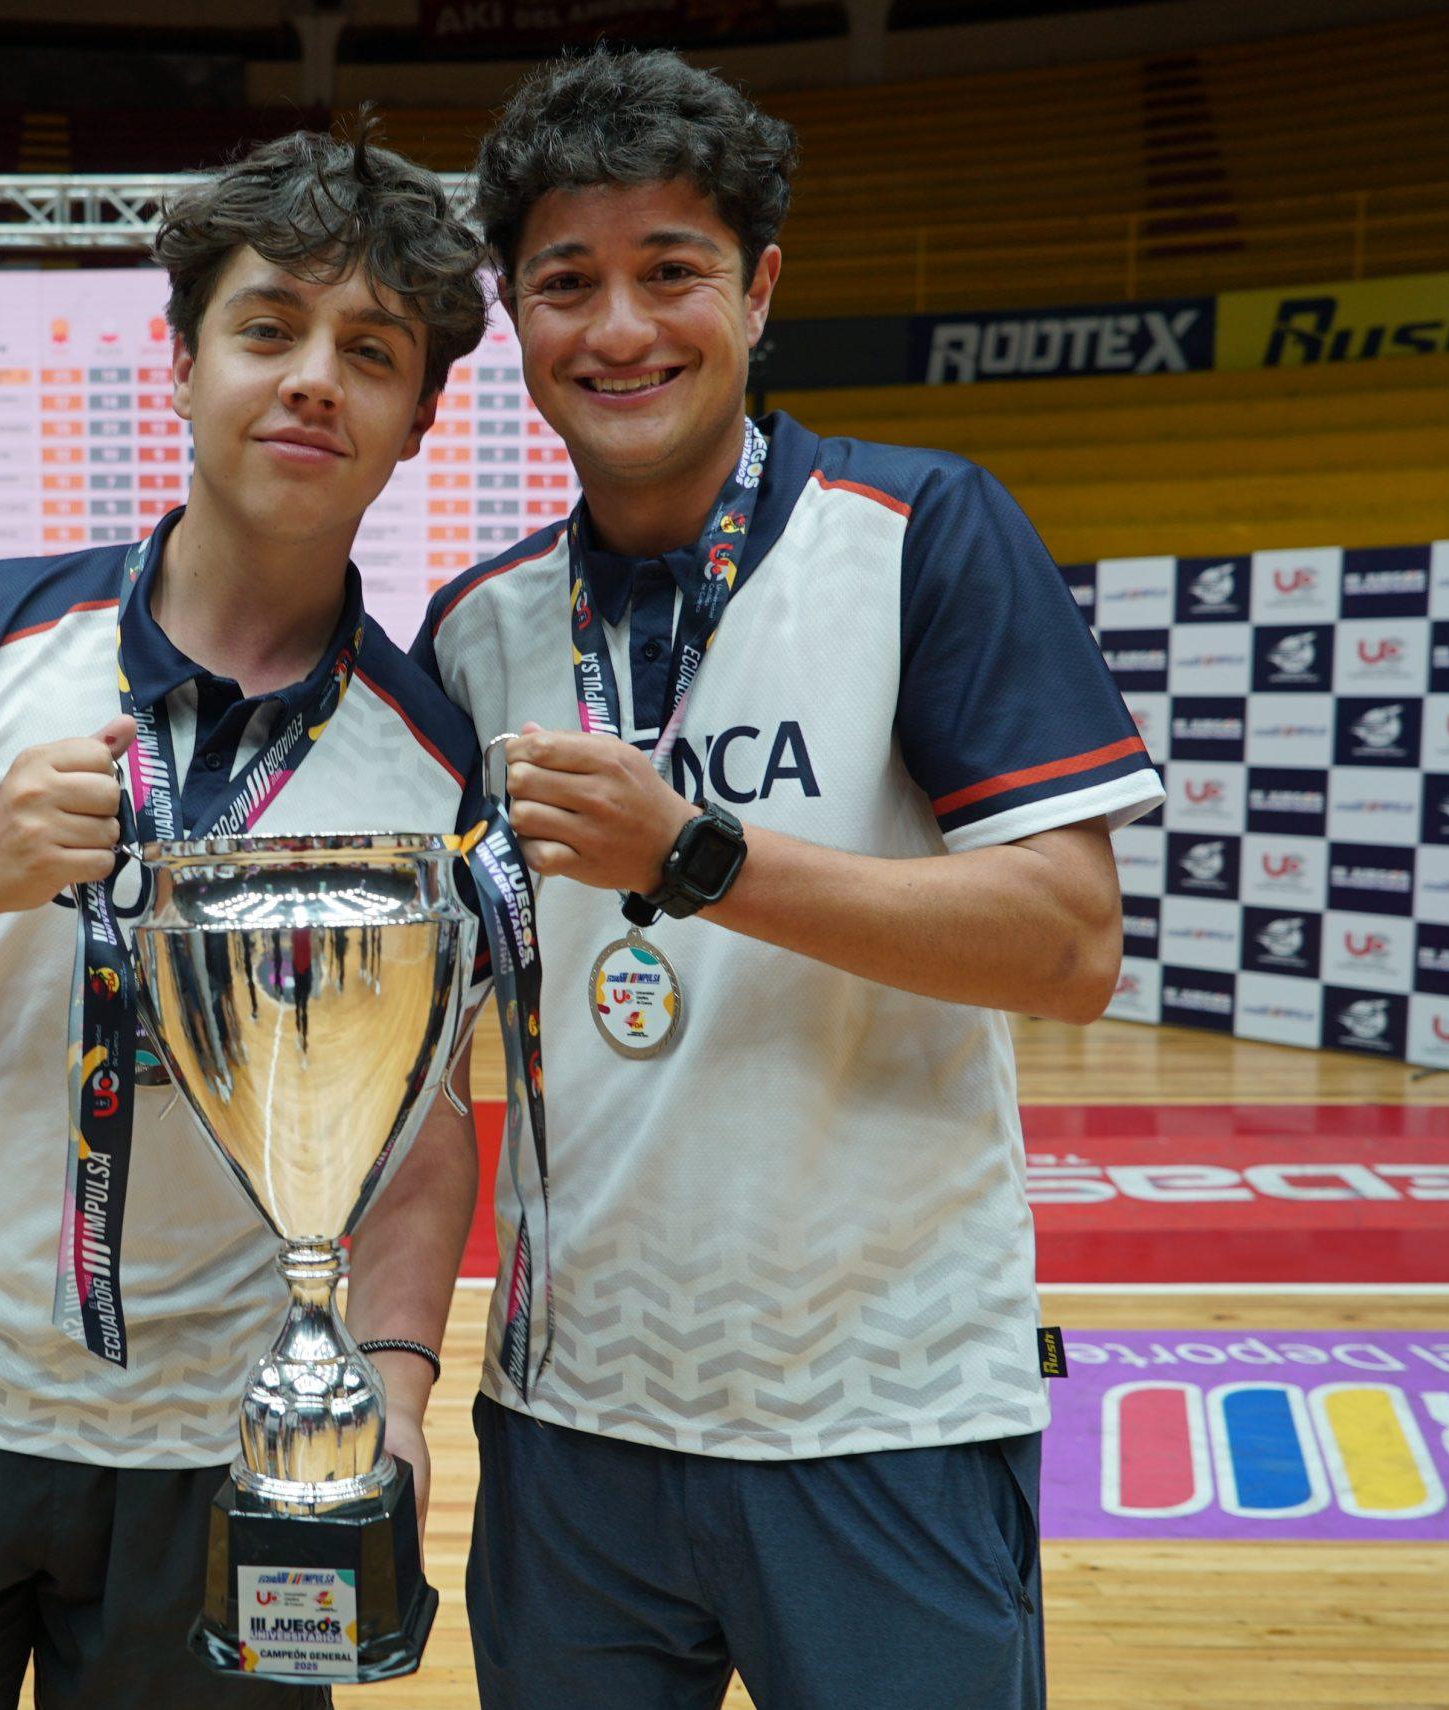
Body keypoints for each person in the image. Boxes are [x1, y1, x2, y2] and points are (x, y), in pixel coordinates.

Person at [408, 49, 1167, 1710]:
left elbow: (1068, 941)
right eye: (567, 282)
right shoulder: (476, 631)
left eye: (670, 270)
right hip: (569, 1424)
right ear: (515, 317)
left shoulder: (921, 531)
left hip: (881, 1416)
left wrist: (698, 855)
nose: (620, 328)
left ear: (758, 291)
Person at [0, 122, 489, 1709]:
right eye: (268, 328)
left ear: (419, 419)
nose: (314, 379)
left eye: (372, 351)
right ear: (183, 365)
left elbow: (422, 1128)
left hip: (231, 1448)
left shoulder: (431, 755)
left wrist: (398, 1395)